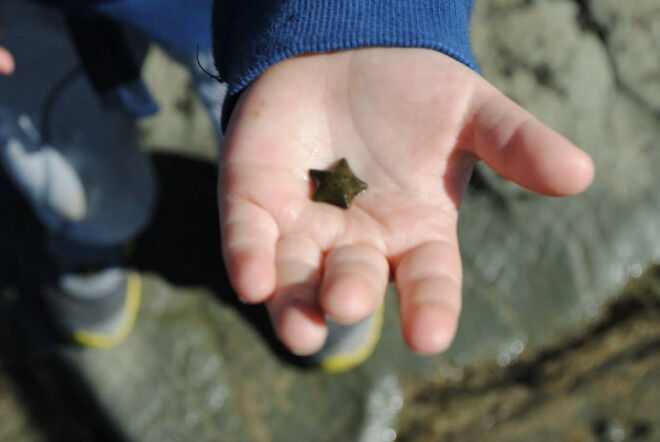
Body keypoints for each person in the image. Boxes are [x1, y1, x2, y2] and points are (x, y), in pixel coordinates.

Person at [1, 1, 594, 371]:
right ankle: (89, 225)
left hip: (249, 16)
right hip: (26, 21)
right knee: (66, 155)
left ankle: (323, 272)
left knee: (259, 121)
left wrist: (372, 18)